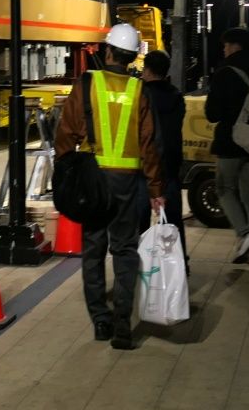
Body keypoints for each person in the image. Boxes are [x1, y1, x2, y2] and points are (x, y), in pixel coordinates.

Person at [54, 22, 164, 350]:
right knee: (125, 250)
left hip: (93, 180)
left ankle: (100, 320)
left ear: (108, 51)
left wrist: (65, 171)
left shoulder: (87, 83)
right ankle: (122, 324)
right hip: (128, 183)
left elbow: (66, 133)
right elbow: (149, 144)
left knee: (93, 250)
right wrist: (156, 191)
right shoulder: (139, 90)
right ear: (131, 58)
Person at [205, 26, 249, 268]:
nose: (223, 49)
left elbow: (212, 113)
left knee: (224, 189)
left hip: (231, 142)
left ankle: (246, 236)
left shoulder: (226, 72)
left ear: (235, 46)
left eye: (225, 45)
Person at [139, 49, 187, 270]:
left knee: (138, 222)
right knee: (173, 222)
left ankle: (139, 268)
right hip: (169, 165)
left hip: (143, 167)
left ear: (146, 69)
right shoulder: (177, 98)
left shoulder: (140, 95)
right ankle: (178, 266)